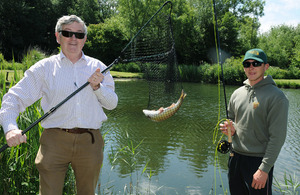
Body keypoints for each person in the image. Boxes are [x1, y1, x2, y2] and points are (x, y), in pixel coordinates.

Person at [0, 15, 118, 194]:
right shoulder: (44, 68)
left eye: (79, 35)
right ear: (58, 36)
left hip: (90, 141)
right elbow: (13, 98)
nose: (73, 38)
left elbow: (112, 104)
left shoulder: (99, 67)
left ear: (85, 39)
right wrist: (10, 128)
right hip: (54, 141)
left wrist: (97, 86)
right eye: (67, 33)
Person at [219, 48, 289, 195]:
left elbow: (277, 137)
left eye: (256, 63)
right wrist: (230, 129)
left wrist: (264, 169)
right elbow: (231, 119)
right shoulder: (237, 93)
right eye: (247, 64)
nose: (251, 67)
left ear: (266, 66)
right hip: (235, 158)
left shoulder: (277, 97)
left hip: (259, 162)